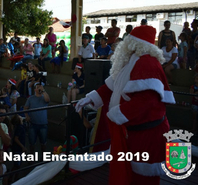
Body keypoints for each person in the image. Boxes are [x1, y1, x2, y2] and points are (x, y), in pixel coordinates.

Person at [75, 24, 175, 185]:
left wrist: (116, 115)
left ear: (135, 43)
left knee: (144, 179)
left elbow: (146, 102)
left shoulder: (147, 63)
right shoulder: (131, 61)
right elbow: (111, 85)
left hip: (146, 135)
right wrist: (91, 98)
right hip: (133, 132)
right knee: (130, 175)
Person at [24, 82, 50, 156]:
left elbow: (47, 100)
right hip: (33, 124)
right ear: (35, 89)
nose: (39, 88)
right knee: (32, 144)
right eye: (37, 87)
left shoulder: (44, 97)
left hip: (43, 124)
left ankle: (44, 158)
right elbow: (25, 108)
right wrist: (27, 116)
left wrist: (43, 91)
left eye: (40, 87)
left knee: (44, 143)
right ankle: (31, 158)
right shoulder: (30, 98)